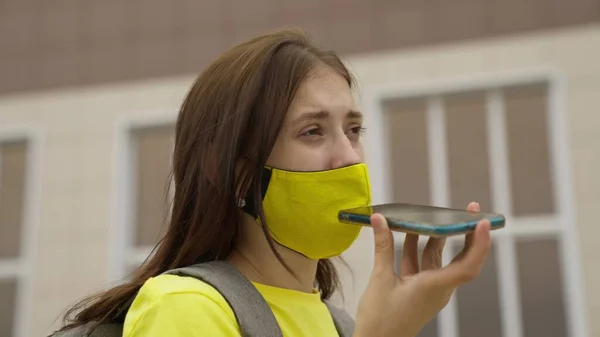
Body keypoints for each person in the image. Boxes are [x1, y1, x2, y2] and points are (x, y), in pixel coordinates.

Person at [56, 28, 491, 337]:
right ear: (235, 170)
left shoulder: (341, 324)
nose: (348, 156)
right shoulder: (185, 306)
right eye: (313, 131)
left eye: (353, 129)